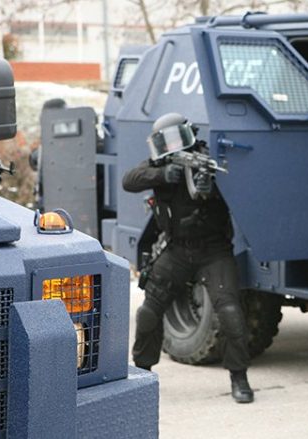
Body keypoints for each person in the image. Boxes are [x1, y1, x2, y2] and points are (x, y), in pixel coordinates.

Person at [122, 112, 254, 404]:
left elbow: (241, 190)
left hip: (214, 250)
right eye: (166, 142)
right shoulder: (160, 165)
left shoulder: (207, 160)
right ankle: (142, 375)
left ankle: (239, 377)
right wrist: (162, 174)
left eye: (177, 139)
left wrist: (212, 188)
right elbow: (129, 180)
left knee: (230, 313)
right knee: (148, 313)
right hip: (177, 249)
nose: (173, 146)